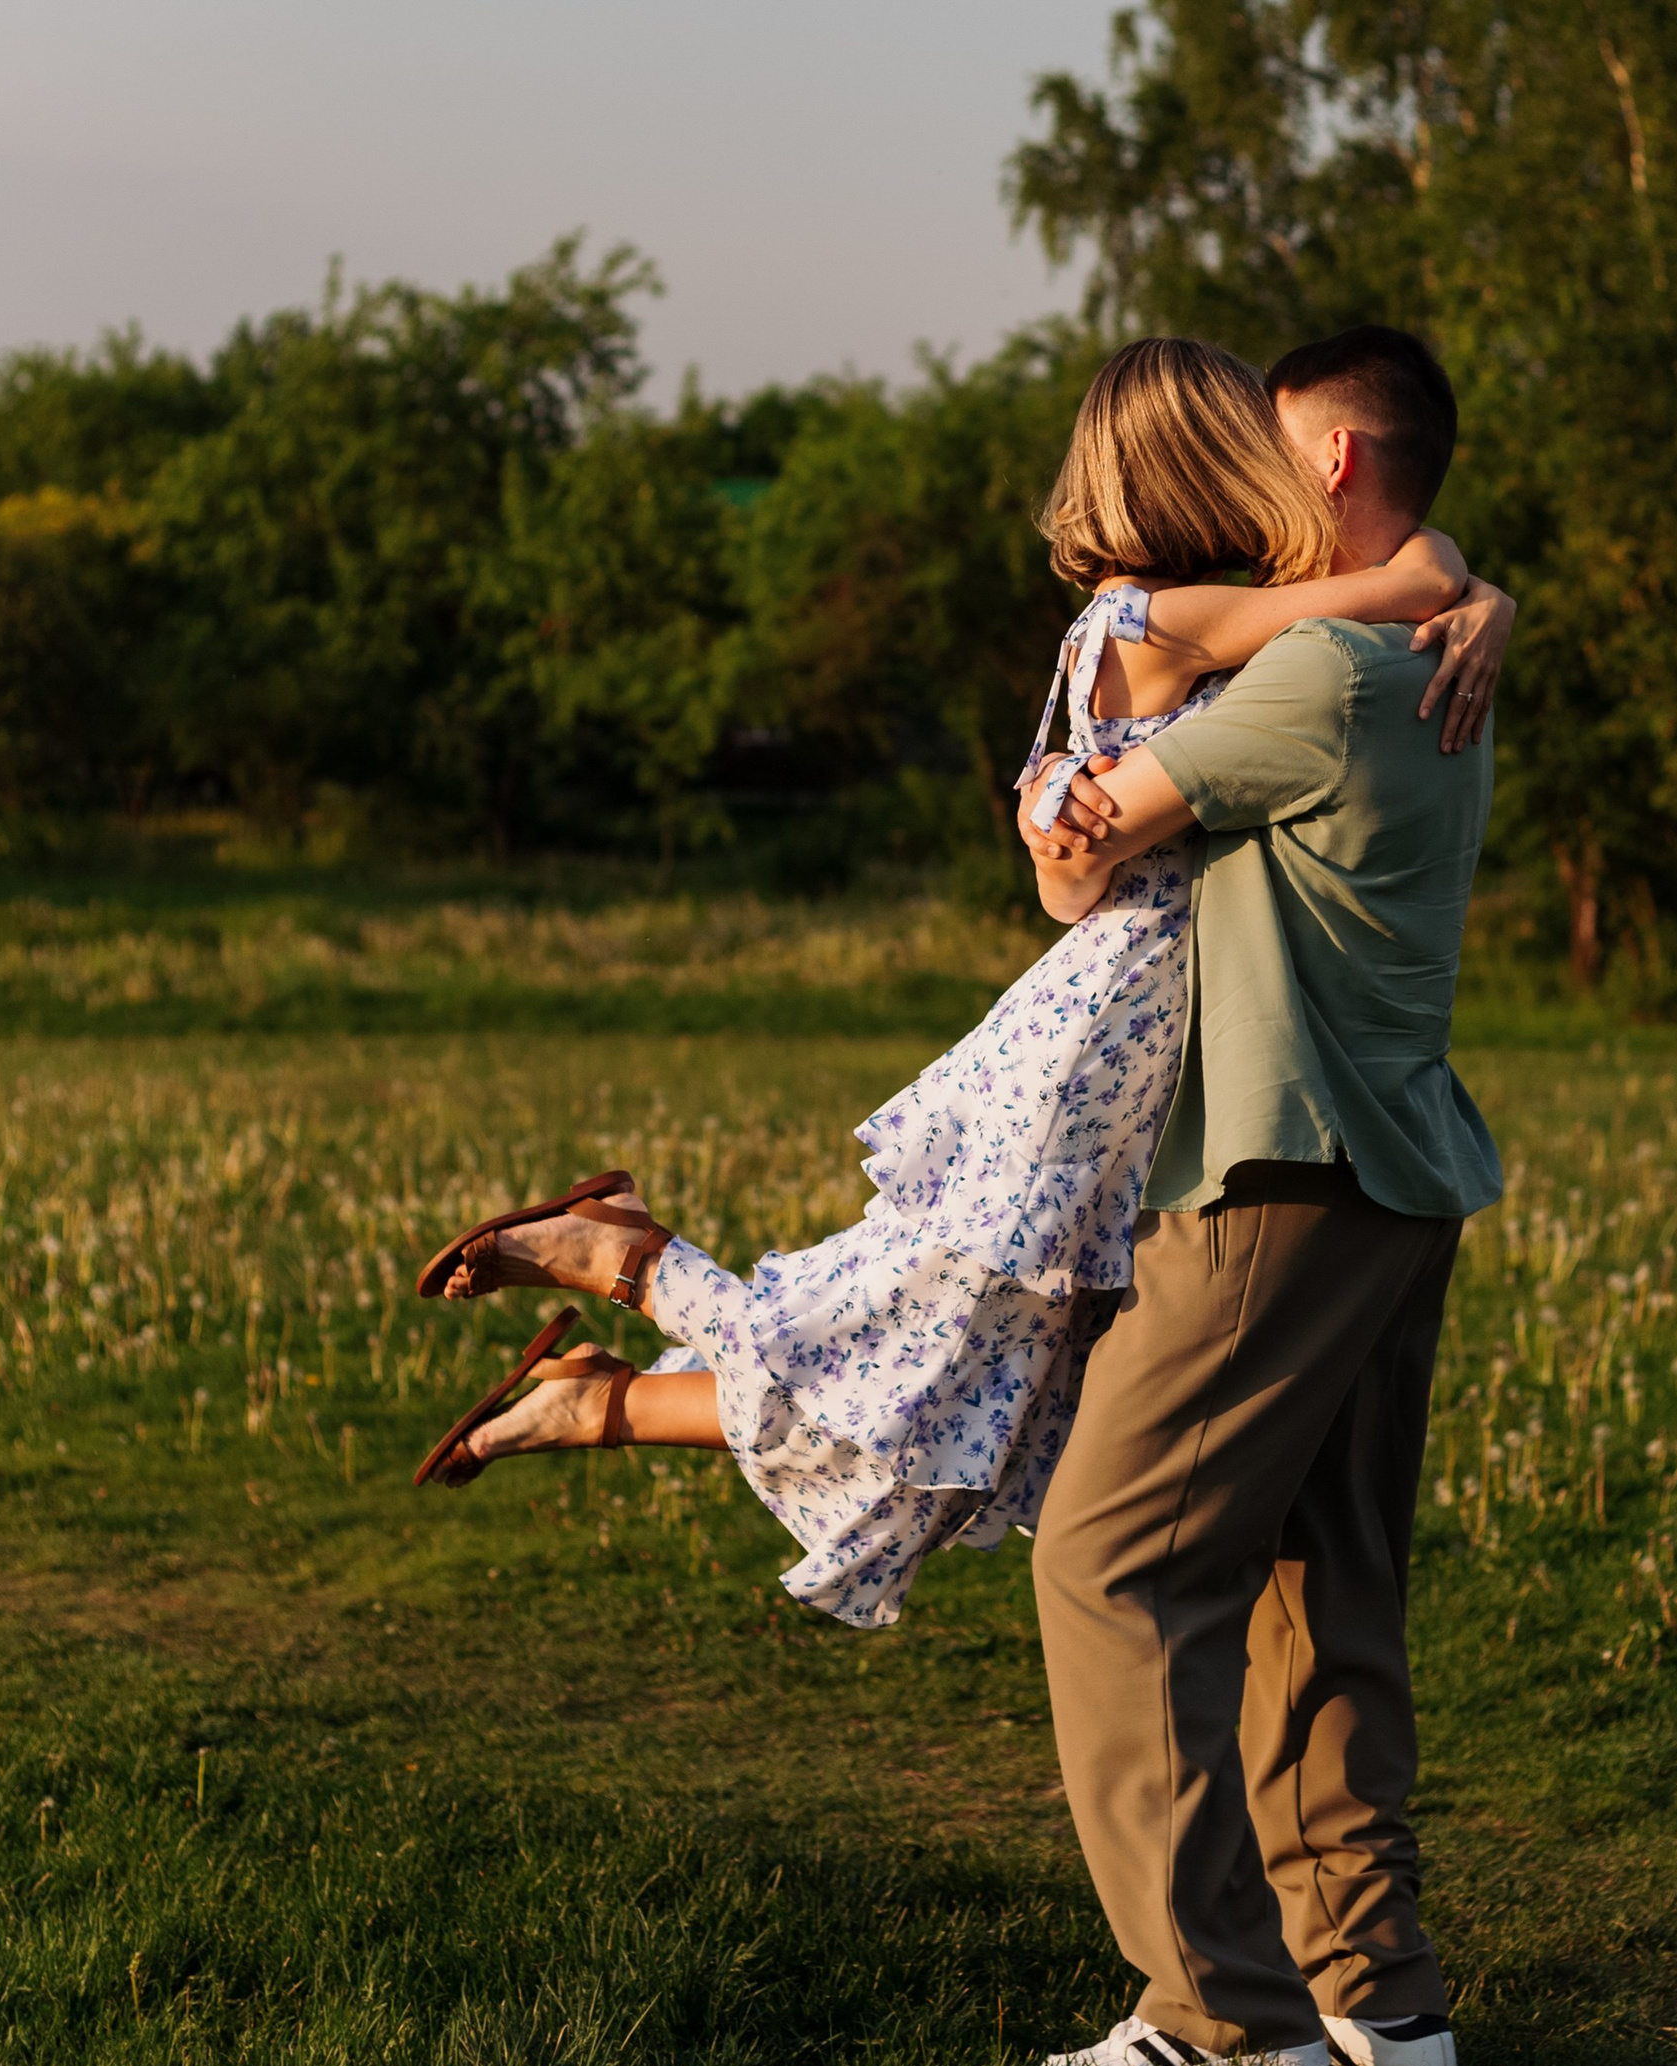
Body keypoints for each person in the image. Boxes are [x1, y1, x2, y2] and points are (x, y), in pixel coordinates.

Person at [406, 335, 1514, 1640]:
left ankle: (612, 1375)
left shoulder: (1140, 628)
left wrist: (1062, 831)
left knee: (972, 1376)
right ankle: (635, 1271)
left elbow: (1070, 868)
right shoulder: (1172, 619)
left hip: (1122, 1039)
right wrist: (1468, 587)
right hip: (1105, 1050)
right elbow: (1402, 583)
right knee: (935, 1343)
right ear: (1205, 466)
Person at [1012, 324, 1501, 2066]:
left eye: (1271, 451)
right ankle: (1390, 2015)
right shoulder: (1438, 662)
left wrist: (1095, 755)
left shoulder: (1327, 684)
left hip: (1273, 1174)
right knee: (1320, 1593)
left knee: (1111, 1557)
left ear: (1341, 466)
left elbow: (1083, 850)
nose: (1246, 482)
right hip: (1401, 1178)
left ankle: (1221, 2015)